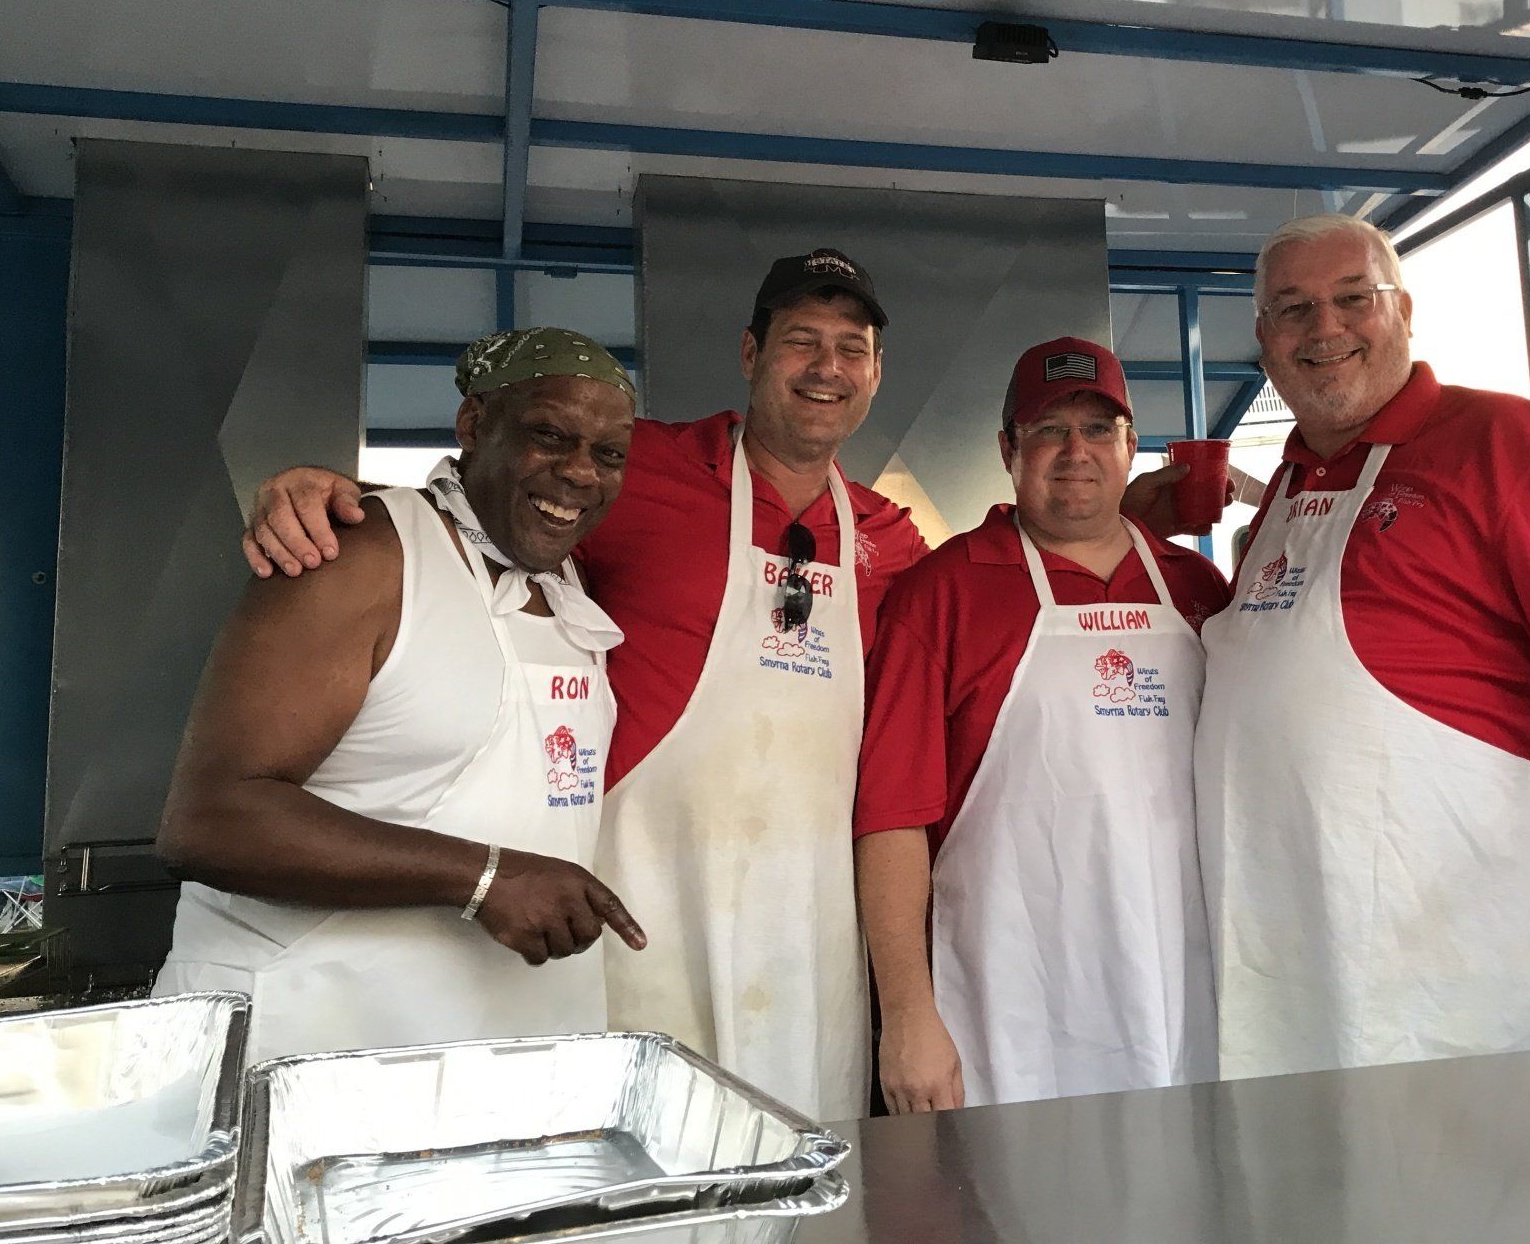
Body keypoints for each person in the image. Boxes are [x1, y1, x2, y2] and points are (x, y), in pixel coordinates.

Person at [240, 250, 926, 1117]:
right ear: (751, 354)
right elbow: (494, 504)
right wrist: (331, 492)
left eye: (851, 347)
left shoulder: (893, 538)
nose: (827, 368)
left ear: (875, 372)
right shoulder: (640, 467)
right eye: (802, 341)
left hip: (809, 920)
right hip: (638, 899)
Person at [1190, 213, 1530, 1080]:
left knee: (1520, 1207)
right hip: (1324, 956)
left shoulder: (1509, 445)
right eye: (1292, 309)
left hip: (1500, 949)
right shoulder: (1287, 482)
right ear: (1263, 337)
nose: (1324, 328)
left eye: (1353, 298)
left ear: (1403, 311)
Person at [155, 329, 646, 1064]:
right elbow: (209, 820)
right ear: (474, 426)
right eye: (549, 435)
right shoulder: (360, 556)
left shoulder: (567, 586)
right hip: (311, 1038)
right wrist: (484, 878)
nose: (579, 472)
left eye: (608, 454)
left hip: (488, 1049)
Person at [854, 338, 1227, 1110]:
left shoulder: (1198, 588)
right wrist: (907, 1015)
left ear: (1132, 447)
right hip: (1010, 1001)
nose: (1075, 452)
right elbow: (891, 817)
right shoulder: (944, 593)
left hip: (1186, 990)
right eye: (1049, 430)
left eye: (1098, 429)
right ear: (1007, 450)